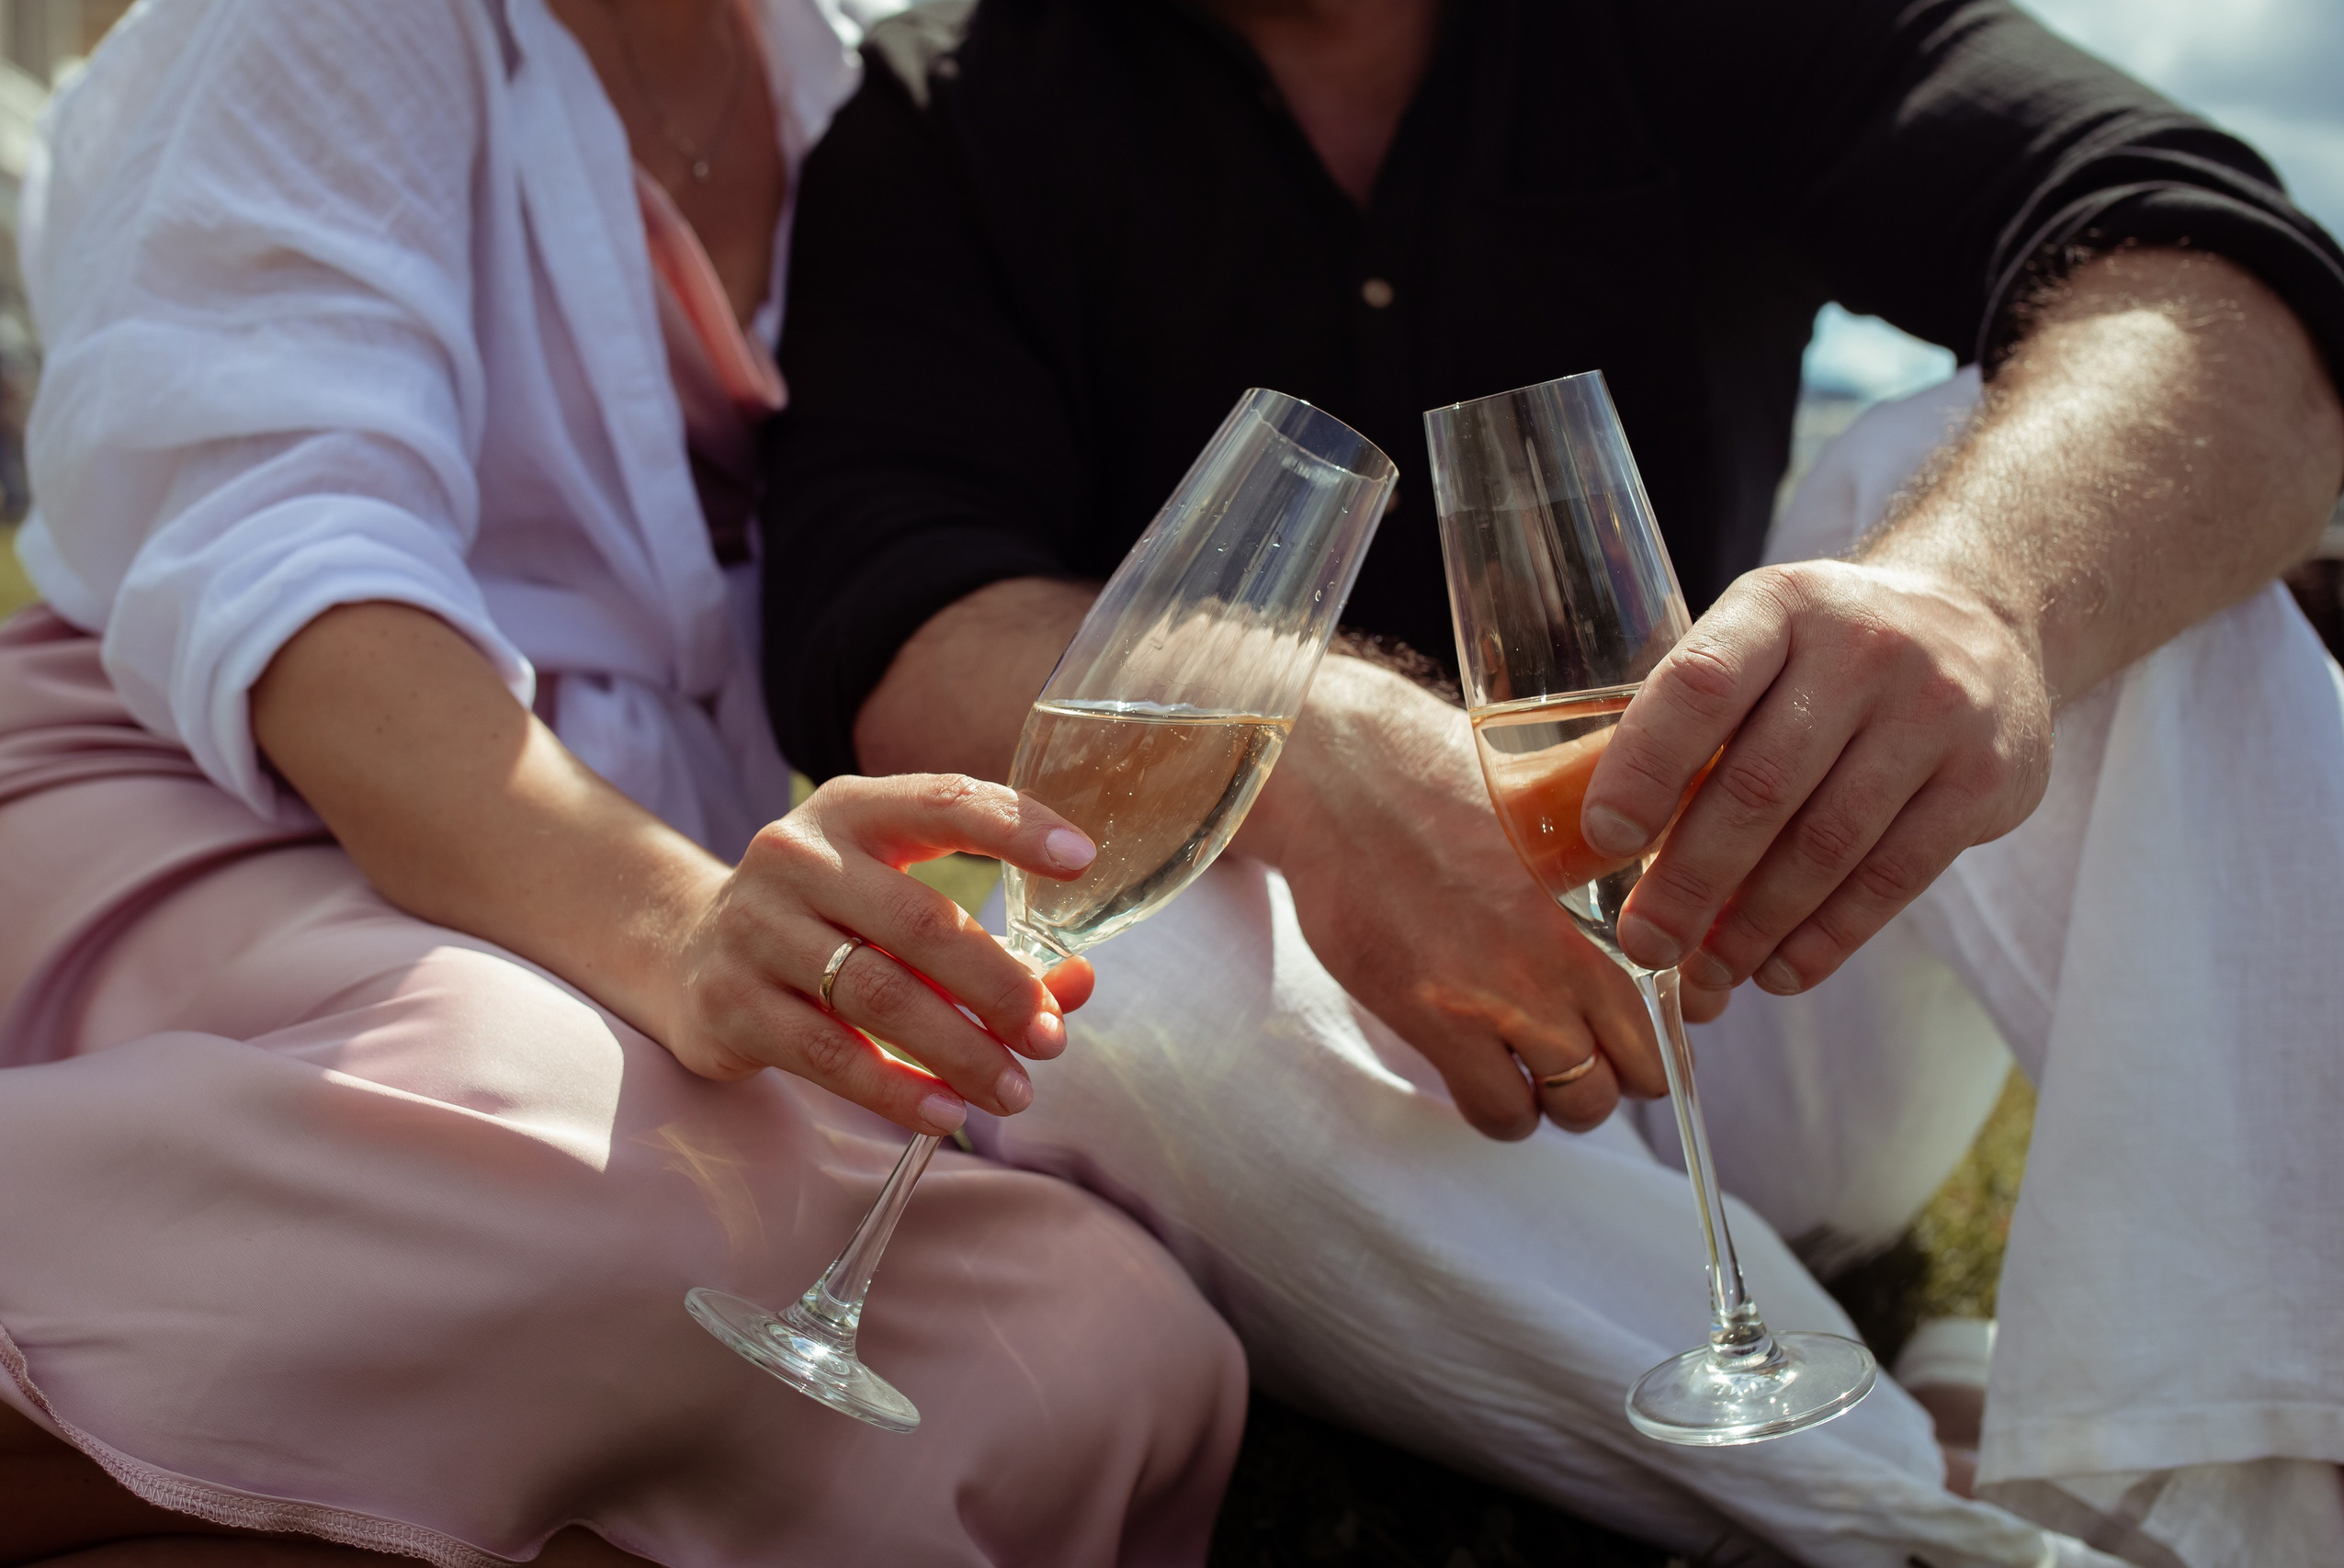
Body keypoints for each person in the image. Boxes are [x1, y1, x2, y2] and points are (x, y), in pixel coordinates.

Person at [757, 1, 2344, 1562]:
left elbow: (2219, 263)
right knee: (1120, 990)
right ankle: (1921, 1517)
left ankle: (2266, 1496)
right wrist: (1309, 743)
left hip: (1763, 954)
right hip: (1353, 1080)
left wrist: (1984, 604)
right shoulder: (947, 107)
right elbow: (882, 590)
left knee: (2049, 485)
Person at [0, 2, 1247, 1564]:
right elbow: (296, 593)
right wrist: (691, 930)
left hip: (609, 890)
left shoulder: (842, 78)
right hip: (215, 791)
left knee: (1106, 1352)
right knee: (550, 1124)